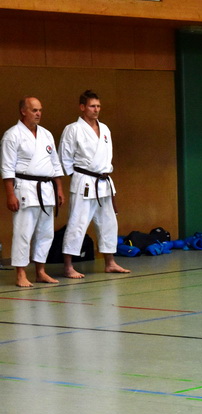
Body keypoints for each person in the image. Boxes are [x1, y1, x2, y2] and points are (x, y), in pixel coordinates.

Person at [58, 90, 130, 278]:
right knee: (77, 223)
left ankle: (110, 262)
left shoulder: (105, 129)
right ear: (82, 107)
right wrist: (79, 175)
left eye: (98, 106)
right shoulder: (72, 129)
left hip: (104, 181)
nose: (96, 109)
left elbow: (108, 156)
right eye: (92, 106)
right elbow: (64, 158)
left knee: (108, 223)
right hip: (84, 181)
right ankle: (68, 266)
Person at [1, 97, 65, 288]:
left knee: (46, 233)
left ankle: (40, 271)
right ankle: (21, 274)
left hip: (46, 188)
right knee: (23, 232)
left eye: (40, 110)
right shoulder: (12, 135)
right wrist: (10, 194)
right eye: (34, 110)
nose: (38, 114)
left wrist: (59, 188)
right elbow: (6, 168)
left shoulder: (46, 134)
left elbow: (55, 164)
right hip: (25, 188)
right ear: (23, 111)